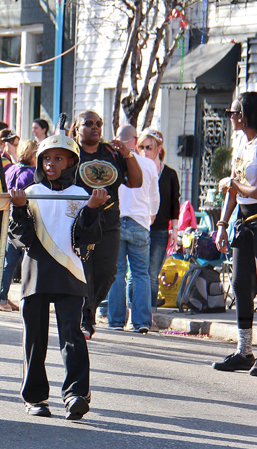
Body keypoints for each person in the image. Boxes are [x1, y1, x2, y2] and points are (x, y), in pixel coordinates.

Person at [8, 134, 109, 419]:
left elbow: (87, 240)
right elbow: (22, 239)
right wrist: (18, 208)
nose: (51, 164)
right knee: (34, 339)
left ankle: (76, 394)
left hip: (70, 273)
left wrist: (91, 210)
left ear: (72, 162)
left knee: (72, 336)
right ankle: (35, 397)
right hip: (35, 273)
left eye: (58, 158)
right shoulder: (30, 191)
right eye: (46, 158)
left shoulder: (82, 194)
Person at [214, 92, 257, 377]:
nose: (230, 116)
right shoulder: (241, 142)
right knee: (240, 285)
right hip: (244, 220)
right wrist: (222, 224)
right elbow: (233, 188)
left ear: (246, 115)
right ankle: (244, 351)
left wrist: (235, 185)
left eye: (233, 111)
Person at [68, 110, 143, 340]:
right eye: (88, 123)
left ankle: (87, 308)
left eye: (98, 123)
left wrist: (128, 155)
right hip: (78, 220)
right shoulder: (70, 152)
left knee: (108, 272)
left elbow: (136, 182)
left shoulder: (111, 152)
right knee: (84, 270)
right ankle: (85, 318)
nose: (95, 127)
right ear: (77, 128)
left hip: (108, 221)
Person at [107, 124, 159, 333]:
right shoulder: (148, 164)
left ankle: (117, 321)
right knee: (141, 274)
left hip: (117, 220)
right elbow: (154, 196)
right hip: (139, 221)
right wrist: (151, 214)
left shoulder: (112, 161)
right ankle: (142, 321)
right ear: (135, 140)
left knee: (117, 273)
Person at [137, 129, 180, 313]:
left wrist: (175, 232)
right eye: (142, 147)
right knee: (137, 274)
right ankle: (134, 312)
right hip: (138, 225)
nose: (145, 151)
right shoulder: (136, 170)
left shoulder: (169, 174)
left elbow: (174, 204)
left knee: (152, 274)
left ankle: (150, 313)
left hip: (160, 229)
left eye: (149, 147)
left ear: (159, 148)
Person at [0, 139, 39, 312]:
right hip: (25, 220)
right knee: (27, 260)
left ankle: (1, 297)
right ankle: (25, 298)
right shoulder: (33, 173)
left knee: (9, 262)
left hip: (7, 218)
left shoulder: (11, 169)